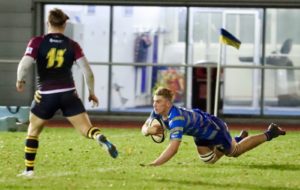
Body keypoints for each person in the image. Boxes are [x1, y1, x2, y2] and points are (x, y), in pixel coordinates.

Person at [16, 8, 118, 177]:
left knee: (33, 131)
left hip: (45, 95)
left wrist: (20, 80)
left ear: (48, 23)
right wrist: (91, 92)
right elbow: (87, 71)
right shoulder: (72, 44)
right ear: (64, 25)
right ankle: (99, 137)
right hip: (68, 94)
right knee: (87, 129)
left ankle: (29, 170)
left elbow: (25, 64)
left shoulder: (37, 42)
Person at [141, 87, 286, 166]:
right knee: (209, 160)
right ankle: (236, 138)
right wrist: (148, 130)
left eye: (158, 101)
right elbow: (144, 126)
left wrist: (154, 164)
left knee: (234, 152)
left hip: (215, 130)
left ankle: (270, 133)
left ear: (167, 103)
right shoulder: (157, 111)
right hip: (201, 134)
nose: (154, 104)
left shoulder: (176, 119)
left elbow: (173, 149)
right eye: (154, 101)